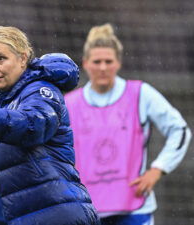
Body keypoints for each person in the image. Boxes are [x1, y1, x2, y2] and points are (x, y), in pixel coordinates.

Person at [0, 26, 100, 225]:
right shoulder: (1, 103)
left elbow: (31, 126)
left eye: (0, 58)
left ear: (23, 58)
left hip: (56, 217)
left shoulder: (41, 90)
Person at [64, 23, 192, 225]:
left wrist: (157, 169)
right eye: (97, 61)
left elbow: (180, 130)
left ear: (118, 63)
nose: (103, 67)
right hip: (87, 210)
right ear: (86, 63)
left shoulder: (141, 94)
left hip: (135, 209)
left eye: (108, 61)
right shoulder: (69, 103)